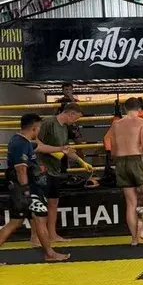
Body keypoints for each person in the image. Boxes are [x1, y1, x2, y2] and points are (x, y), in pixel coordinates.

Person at [0, 113, 71, 263]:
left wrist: (61, 148)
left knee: (16, 222)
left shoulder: (23, 141)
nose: (39, 131)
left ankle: (49, 253)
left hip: (23, 188)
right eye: (38, 128)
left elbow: (40, 147)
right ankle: (50, 254)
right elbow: (21, 169)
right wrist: (26, 191)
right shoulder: (20, 144)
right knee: (39, 219)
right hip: (28, 189)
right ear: (34, 127)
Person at [33, 104, 93, 246]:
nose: (75, 122)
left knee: (53, 202)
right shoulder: (48, 122)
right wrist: (53, 150)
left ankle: (52, 235)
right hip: (41, 167)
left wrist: (81, 162)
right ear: (71, 114)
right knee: (39, 204)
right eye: (76, 118)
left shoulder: (64, 129)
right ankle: (35, 237)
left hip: (55, 169)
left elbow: (66, 150)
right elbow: (34, 140)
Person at [110, 96, 143, 246]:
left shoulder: (116, 125)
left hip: (120, 162)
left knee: (131, 202)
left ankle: (134, 239)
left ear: (125, 109)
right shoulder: (141, 122)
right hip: (136, 160)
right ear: (139, 110)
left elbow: (113, 150)